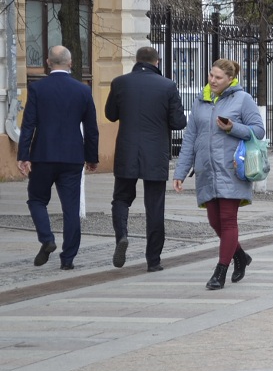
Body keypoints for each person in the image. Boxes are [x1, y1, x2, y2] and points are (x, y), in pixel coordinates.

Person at [173, 59, 265, 290]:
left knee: (228, 220)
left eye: (218, 77)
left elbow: (259, 130)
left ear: (230, 79)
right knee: (214, 221)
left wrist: (233, 127)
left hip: (232, 168)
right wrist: (180, 171)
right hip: (206, 170)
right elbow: (190, 138)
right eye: (211, 75)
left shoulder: (243, 99)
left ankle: (220, 272)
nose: (212, 80)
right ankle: (240, 256)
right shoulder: (201, 101)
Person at [16, 46, 99, 270]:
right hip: (72, 157)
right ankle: (68, 259)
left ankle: (47, 239)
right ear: (70, 63)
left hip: (42, 155)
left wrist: (24, 155)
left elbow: (28, 125)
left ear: (47, 62)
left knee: (36, 200)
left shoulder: (38, 89)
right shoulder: (82, 90)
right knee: (71, 208)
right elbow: (91, 128)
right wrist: (92, 157)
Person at [105, 47, 187, 271]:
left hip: (127, 150)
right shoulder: (167, 86)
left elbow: (110, 114)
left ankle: (122, 236)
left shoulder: (120, 82)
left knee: (121, 198)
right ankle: (153, 260)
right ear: (157, 62)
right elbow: (179, 122)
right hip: (155, 153)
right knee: (155, 206)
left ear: (137, 60)